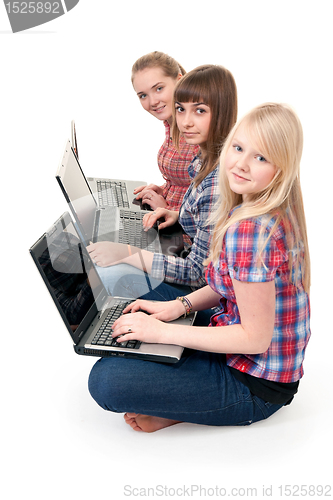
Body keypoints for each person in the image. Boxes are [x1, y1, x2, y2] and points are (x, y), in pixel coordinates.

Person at [88, 103, 311, 433]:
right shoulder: (256, 205)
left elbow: (255, 339)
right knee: (141, 316)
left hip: (255, 386)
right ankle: (186, 393)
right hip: (236, 336)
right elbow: (228, 286)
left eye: (261, 158)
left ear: (282, 168)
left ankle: (197, 406)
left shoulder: (251, 231)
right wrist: (176, 307)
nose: (242, 164)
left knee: (105, 381)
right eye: (238, 148)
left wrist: (162, 332)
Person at [88, 65, 238, 308]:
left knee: (106, 273)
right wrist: (177, 213)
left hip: (203, 298)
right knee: (95, 251)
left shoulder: (218, 180)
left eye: (199, 111)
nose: (186, 122)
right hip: (188, 259)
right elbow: (209, 218)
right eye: (181, 109)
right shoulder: (204, 160)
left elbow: (197, 275)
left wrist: (127, 254)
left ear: (222, 111)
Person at [131, 51, 199, 211]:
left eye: (159, 88)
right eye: (143, 95)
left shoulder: (197, 129)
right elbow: (187, 184)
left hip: (186, 230)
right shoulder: (171, 123)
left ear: (179, 80)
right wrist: (164, 190)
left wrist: (170, 209)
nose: (153, 101)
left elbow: (212, 204)